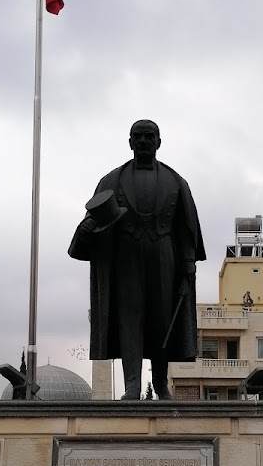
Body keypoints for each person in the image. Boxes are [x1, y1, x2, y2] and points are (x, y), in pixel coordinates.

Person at [69, 120, 205, 400]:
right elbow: (93, 220)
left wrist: (187, 268)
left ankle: (160, 383)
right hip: (126, 260)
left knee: (163, 318)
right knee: (129, 318)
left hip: (164, 255)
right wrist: (86, 229)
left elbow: (186, 229)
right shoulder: (111, 180)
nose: (143, 141)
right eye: (138, 137)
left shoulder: (176, 182)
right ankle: (132, 384)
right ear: (130, 142)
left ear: (159, 141)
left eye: (149, 136)